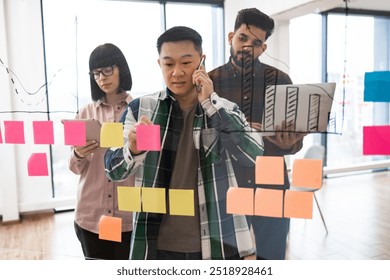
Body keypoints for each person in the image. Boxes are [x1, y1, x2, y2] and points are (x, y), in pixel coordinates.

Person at [104, 26, 264, 260]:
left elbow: (252, 155)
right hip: (155, 243)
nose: (176, 72)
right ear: (159, 64)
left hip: (216, 240)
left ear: (202, 62)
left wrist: (210, 104)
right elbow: (111, 169)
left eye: (186, 63)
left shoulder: (225, 109)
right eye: (168, 64)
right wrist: (133, 149)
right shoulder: (140, 109)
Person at [208, 8, 305, 260]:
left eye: (256, 43)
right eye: (242, 38)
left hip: (271, 179)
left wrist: (290, 143)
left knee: (271, 256)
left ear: (263, 48)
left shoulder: (281, 79)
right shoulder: (210, 82)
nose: (247, 47)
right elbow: (202, 139)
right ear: (231, 36)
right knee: (226, 258)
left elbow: (295, 139)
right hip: (226, 180)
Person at [68, 43, 135, 260]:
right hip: (91, 215)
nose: (102, 77)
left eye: (107, 70)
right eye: (96, 73)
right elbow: (74, 167)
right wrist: (78, 153)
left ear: (121, 69)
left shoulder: (140, 110)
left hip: (128, 216)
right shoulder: (85, 113)